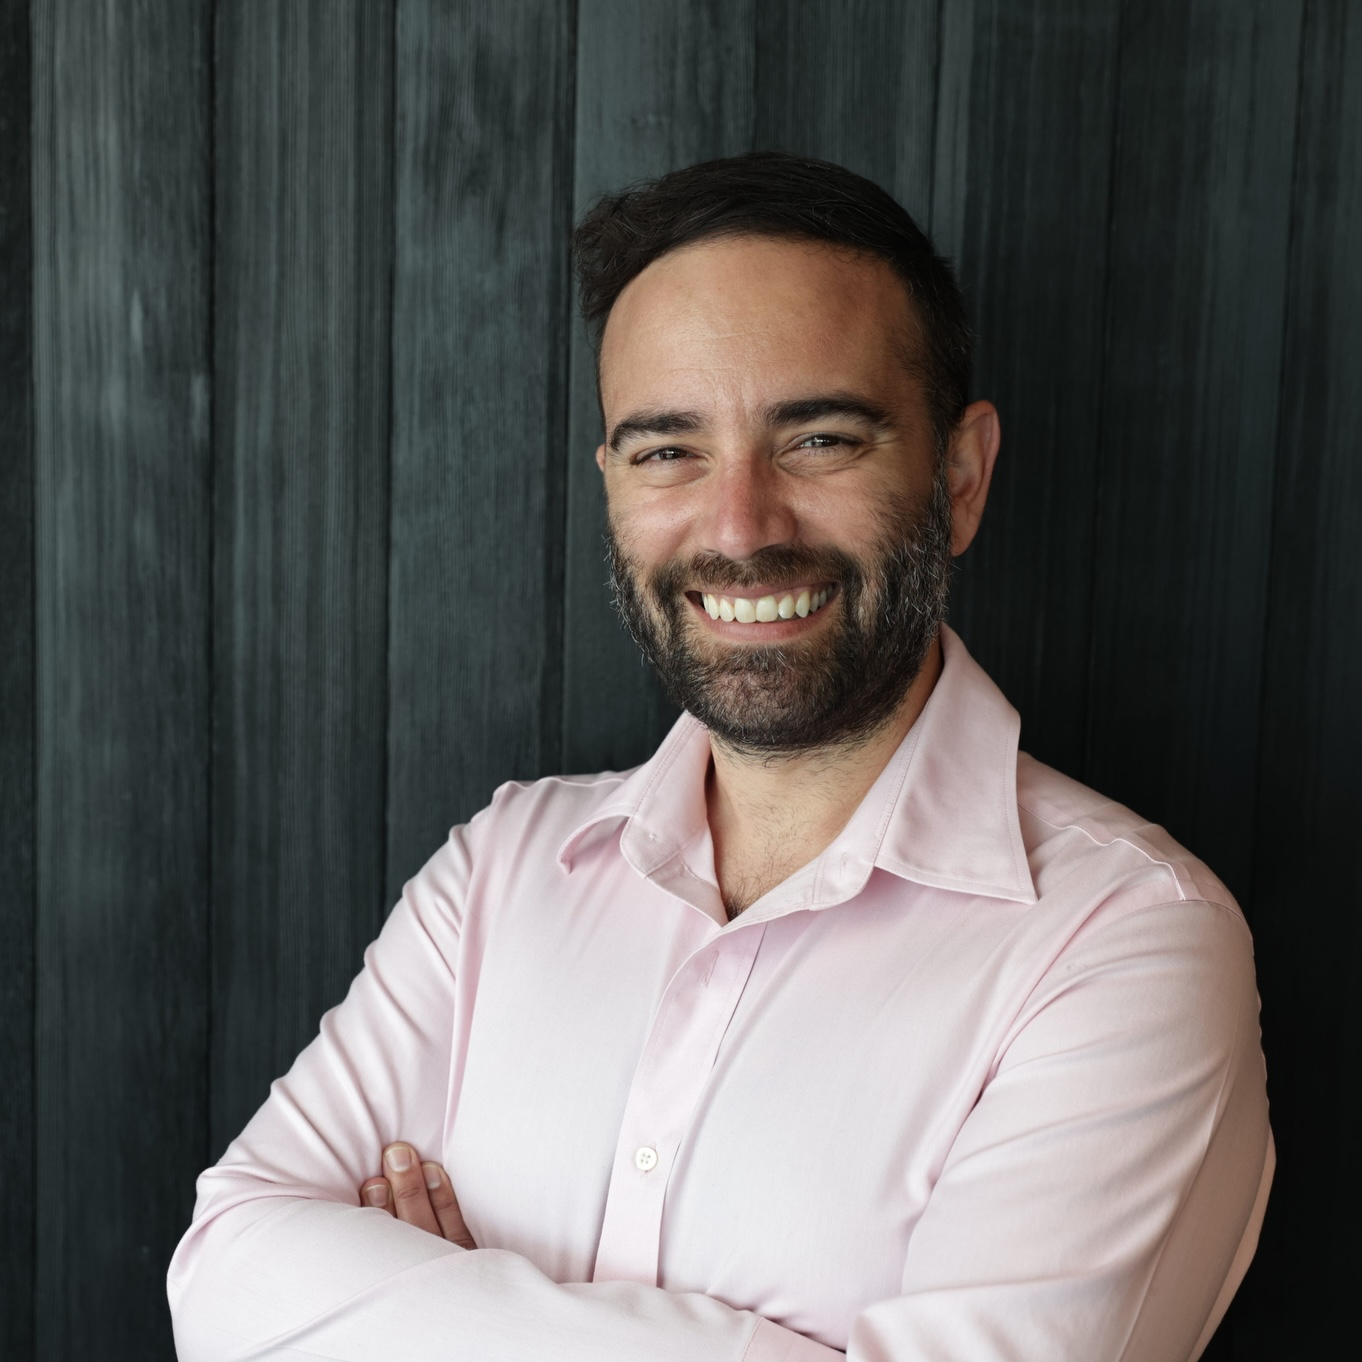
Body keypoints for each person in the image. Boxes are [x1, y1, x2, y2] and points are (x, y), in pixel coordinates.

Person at [167, 152, 1272, 1362]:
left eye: (819, 440)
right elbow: (224, 1279)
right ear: (611, 484)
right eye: (667, 452)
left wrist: (424, 1312)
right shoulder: (502, 869)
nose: (740, 527)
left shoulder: (1129, 940)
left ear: (959, 479)